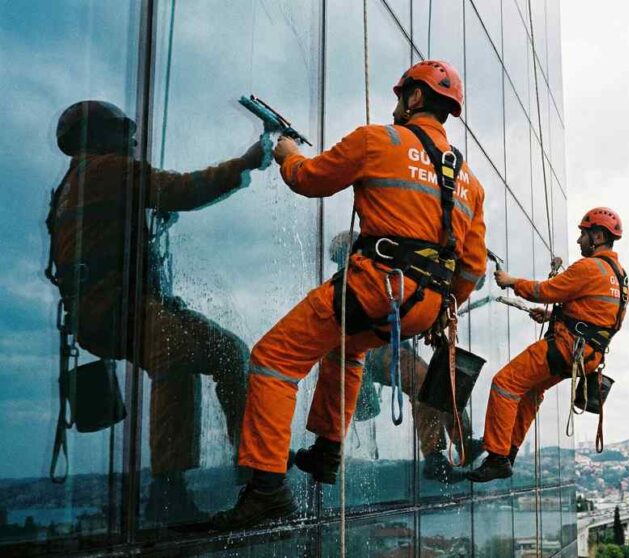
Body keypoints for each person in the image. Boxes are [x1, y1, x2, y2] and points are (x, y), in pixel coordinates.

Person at [212, 60, 487, 530]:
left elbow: (308, 180)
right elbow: (472, 268)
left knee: (273, 359)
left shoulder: (377, 141)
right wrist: (443, 312)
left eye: (401, 96)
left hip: (376, 288)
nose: (396, 105)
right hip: (425, 305)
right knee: (348, 347)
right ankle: (326, 451)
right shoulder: (470, 182)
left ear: (415, 98)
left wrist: (285, 152)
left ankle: (266, 489)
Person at [47, 100, 269, 521]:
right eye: (123, 131)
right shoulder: (107, 171)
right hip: (114, 306)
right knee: (176, 351)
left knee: (229, 351)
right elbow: (185, 189)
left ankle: (251, 463)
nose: (132, 139)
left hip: (112, 307)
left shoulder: (74, 184)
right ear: (96, 136)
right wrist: (247, 161)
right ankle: (169, 489)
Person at [466, 208, 629, 483]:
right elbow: (600, 318)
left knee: (505, 383)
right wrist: (555, 316)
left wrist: (511, 282)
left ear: (598, 236)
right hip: (586, 355)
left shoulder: (590, 267)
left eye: (583, 234)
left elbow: (545, 291)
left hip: (566, 347)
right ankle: (508, 453)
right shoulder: (620, 278)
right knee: (530, 391)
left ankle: (497, 457)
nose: (579, 240)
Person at [331, 233, 484, 483]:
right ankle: (436, 457)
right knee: (424, 381)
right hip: (372, 348)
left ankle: (463, 443)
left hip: (385, 345)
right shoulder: (351, 282)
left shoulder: (378, 272)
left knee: (441, 381)